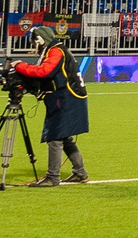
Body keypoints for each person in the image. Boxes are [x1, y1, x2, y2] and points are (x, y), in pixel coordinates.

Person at [12, 25, 90, 186]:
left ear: (40, 39)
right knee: (64, 136)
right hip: (68, 96)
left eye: (34, 41)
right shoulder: (56, 49)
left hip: (66, 98)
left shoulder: (55, 51)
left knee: (55, 136)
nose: (34, 45)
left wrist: (20, 66)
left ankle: (53, 177)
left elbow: (44, 72)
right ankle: (80, 172)